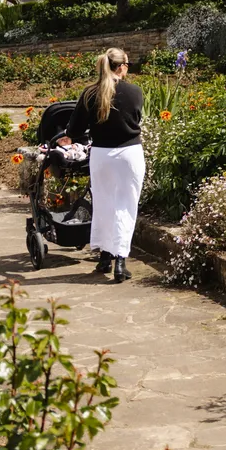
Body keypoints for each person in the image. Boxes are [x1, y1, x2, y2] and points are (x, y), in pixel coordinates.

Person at [61, 47, 144, 283]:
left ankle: (105, 257)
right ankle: (121, 262)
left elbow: (74, 130)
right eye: (128, 64)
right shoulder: (135, 92)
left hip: (101, 156)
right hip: (129, 154)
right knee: (125, 207)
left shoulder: (90, 93)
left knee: (104, 204)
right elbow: (135, 119)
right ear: (121, 67)